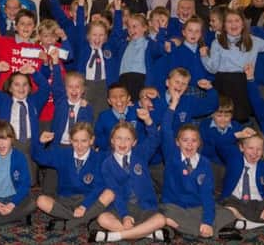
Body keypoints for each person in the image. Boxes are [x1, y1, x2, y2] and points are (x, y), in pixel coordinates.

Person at [160, 89, 241, 240]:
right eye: (185, 140)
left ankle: (179, 228)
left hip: (196, 207)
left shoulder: (204, 163)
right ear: (177, 143)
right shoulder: (172, 155)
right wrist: (174, 104)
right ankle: (212, 230)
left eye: (193, 141)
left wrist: (207, 221)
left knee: (228, 213)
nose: (189, 145)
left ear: (199, 143)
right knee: (165, 213)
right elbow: (165, 129)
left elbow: (207, 195)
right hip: (174, 206)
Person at [201, 8, 264, 123]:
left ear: (243, 24)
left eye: (237, 21)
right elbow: (213, 69)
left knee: (241, 120)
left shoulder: (253, 41)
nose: (233, 24)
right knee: (222, 121)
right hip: (223, 86)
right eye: (229, 21)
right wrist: (204, 57)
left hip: (244, 85)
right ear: (224, 25)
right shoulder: (217, 42)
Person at [90, 115, 168, 243]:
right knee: (103, 219)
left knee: (161, 219)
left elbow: (154, 139)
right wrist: (124, 215)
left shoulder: (140, 154)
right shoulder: (107, 164)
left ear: (134, 142)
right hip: (121, 206)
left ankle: (117, 236)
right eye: (118, 138)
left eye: (127, 139)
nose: (122, 143)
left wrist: (148, 120)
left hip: (145, 206)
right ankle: (144, 233)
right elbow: (115, 192)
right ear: (112, 141)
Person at [33, 122, 112, 232]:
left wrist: (84, 206)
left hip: (88, 200)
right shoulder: (63, 154)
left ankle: (71, 223)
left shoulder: (99, 158)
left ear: (91, 140)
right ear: (70, 140)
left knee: (109, 193)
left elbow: (99, 186)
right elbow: (39, 157)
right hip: (65, 201)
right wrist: (40, 143)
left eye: (84, 141)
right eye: (75, 141)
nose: (79, 145)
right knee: (41, 200)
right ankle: (87, 218)